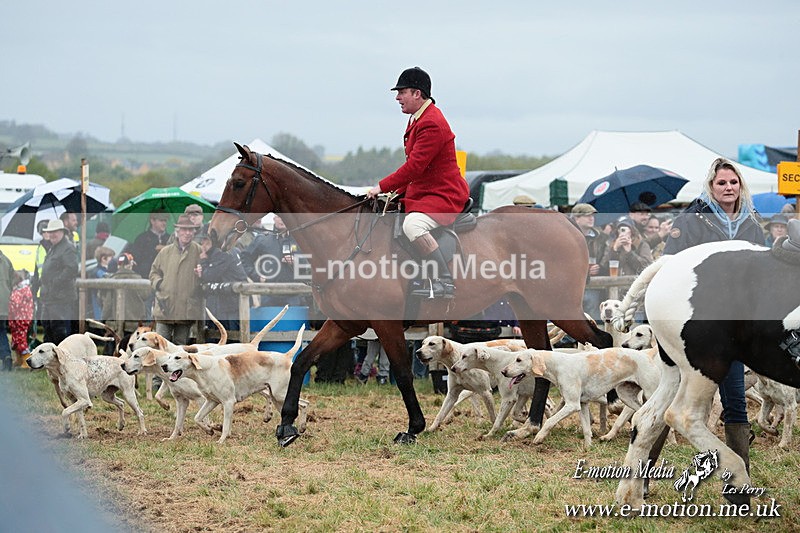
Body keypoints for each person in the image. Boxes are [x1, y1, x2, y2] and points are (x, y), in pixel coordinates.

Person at [663, 157, 764, 475]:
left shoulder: (751, 220)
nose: (728, 187)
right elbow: (670, 264)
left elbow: (762, 269)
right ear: (711, 185)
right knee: (668, 393)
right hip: (694, 323)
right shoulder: (691, 219)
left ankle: (740, 477)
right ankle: (643, 470)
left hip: (734, 323)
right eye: (722, 182)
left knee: (734, 396)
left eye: (733, 182)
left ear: (740, 186)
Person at [366, 66, 470, 299]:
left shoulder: (431, 122)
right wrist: (394, 194)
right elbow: (418, 171)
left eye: (401, 92)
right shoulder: (418, 118)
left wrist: (381, 186)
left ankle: (444, 281)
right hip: (426, 190)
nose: (397, 97)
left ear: (417, 93)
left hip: (444, 194)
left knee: (412, 225)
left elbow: (414, 167)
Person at [149, 214, 203, 346]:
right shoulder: (165, 252)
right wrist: (160, 284)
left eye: (190, 230)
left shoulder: (199, 251)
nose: (187, 233)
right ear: (177, 231)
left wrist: (202, 274)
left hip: (187, 309)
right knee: (160, 345)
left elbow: (207, 272)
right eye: (184, 230)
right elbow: (153, 272)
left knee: (180, 347)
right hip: (164, 307)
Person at [240, 215, 307, 307]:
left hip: (295, 295)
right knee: (270, 321)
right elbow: (245, 258)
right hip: (268, 294)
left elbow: (312, 262)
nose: (282, 220)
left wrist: (297, 261)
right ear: (274, 219)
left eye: (284, 217)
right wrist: (257, 276)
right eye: (279, 216)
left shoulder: (300, 240)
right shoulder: (263, 238)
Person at [196, 236, 248, 339]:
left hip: (229, 304)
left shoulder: (221, 253)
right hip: (233, 302)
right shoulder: (234, 250)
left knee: (228, 337)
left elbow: (209, 275)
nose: (203, 247)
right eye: (202, 243)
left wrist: (203, 261)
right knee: (231, 335)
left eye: (207, 243)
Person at [38, 219, 79, 345]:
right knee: (49, 330)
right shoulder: (54, 248)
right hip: (50, 298)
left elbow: (71, 269)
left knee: (60, 332)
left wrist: (55, 283)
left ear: (62, 232)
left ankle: (62, 360)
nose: (51, 234)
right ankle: (49, 362)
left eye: (55, 231)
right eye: (50, 232)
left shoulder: (67, 248)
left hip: (61, 299)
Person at [100, 253, 149, 355]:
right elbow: (145, 296)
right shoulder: (138, 279)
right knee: (132, 349)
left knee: (112, 349)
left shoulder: (111, 280)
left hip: (115, 322)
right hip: (135, 321)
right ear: (130, 264)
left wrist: (104, 319)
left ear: (119, 265)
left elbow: (107, 303)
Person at [127, 210, 169, 319]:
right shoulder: (141, 239)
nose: (164, 223)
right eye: (161, 220)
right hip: (146, 281)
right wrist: (153, 250)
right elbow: (136, 261)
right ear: (152, 221)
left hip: (165, 282)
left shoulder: (169, 239)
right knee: (146, 312)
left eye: (165, 220)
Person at [570, 203, 607, 321]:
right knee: (571, 317)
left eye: (592, 215)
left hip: (593, 285)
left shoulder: (602, 237)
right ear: (576, 218)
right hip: (572, 285)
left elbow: (608, 257)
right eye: (587, 215)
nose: (591, 218)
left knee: (592, 319)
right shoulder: (567, 236)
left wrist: (600, 267)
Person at [8, 270, 33, 368]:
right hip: (19, 318)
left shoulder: (20, 290)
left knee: (21, 339)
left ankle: (26, 360)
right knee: (16, 339)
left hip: (20, 318)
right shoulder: (23, 289)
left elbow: (14, 303)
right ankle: (19, 359)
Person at [88, 246, 114, 320]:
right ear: (103, 259)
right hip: (99, 301)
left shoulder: (99, 271)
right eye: (111, 258)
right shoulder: (97, 272)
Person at [0, 250, 14, 370]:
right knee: (1, 330)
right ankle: (6, 356)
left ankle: (6, 356)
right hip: (3, 303)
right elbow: (12, 282)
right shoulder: (6, 260)